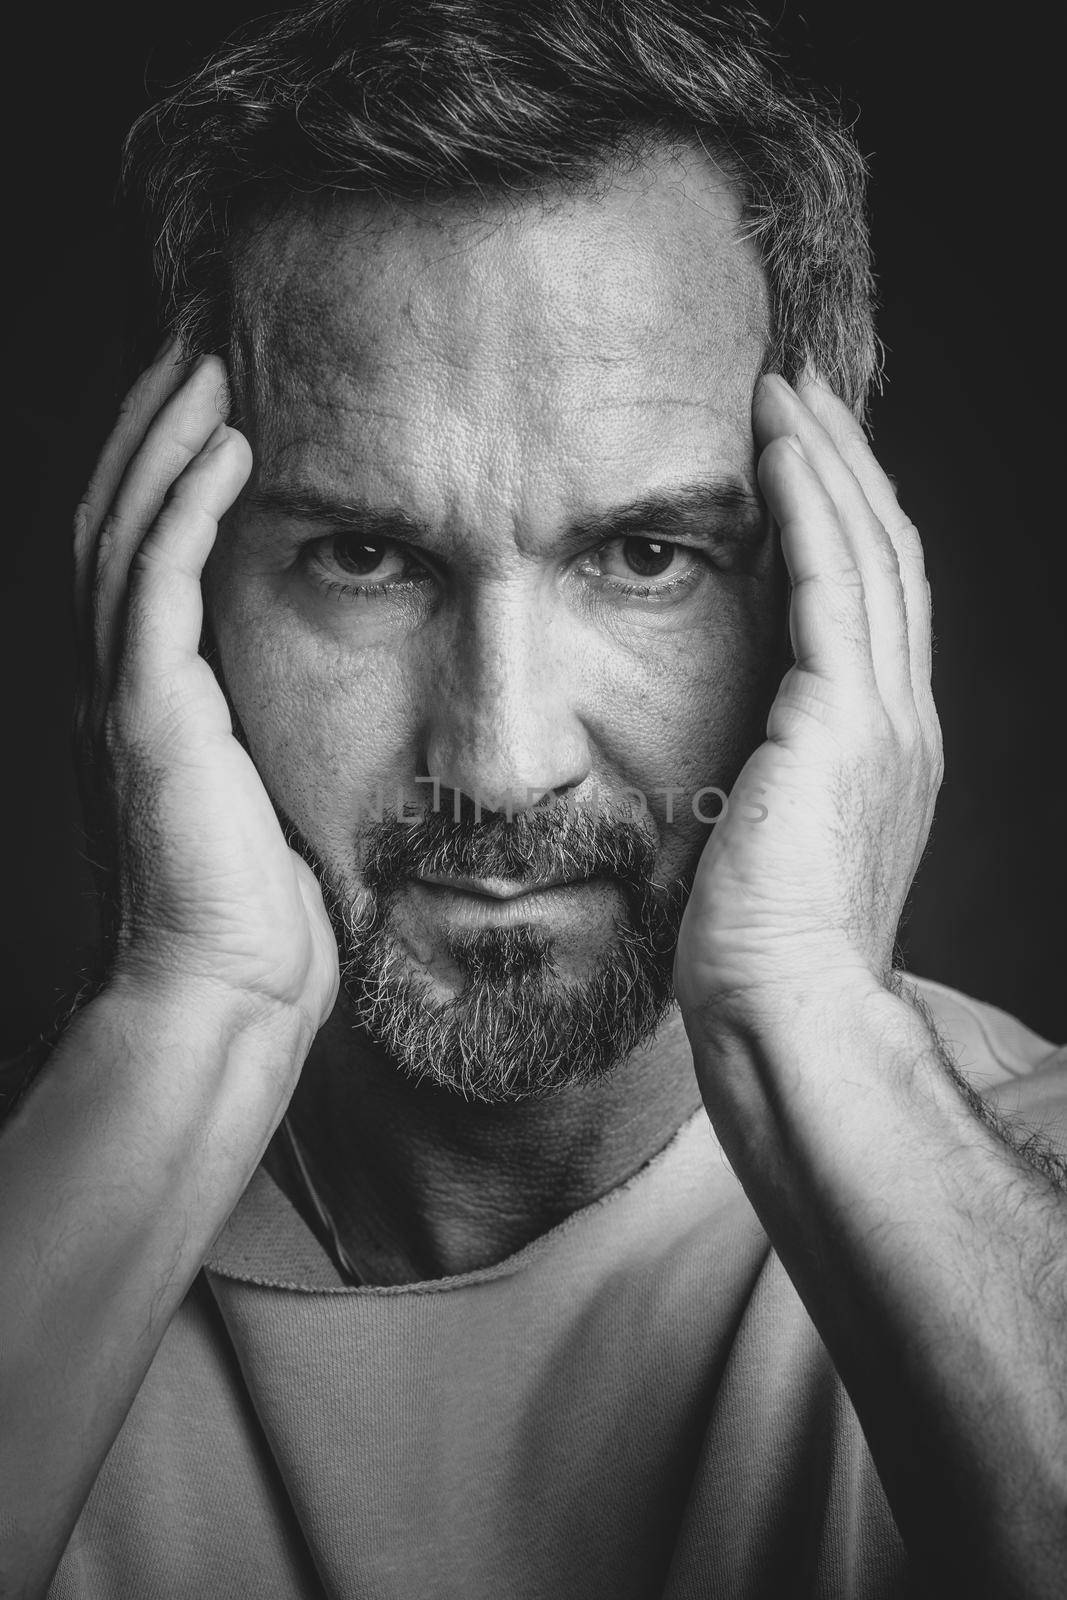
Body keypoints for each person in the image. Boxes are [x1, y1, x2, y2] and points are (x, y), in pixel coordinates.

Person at [1, 2, 1064, 1595]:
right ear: (177, 591)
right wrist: (194, 1011)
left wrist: (810, 1028)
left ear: (833, 587)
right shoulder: (58, 1206)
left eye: (646, 558)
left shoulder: (1018, 1191)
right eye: (364, 557)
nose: (503, 761)